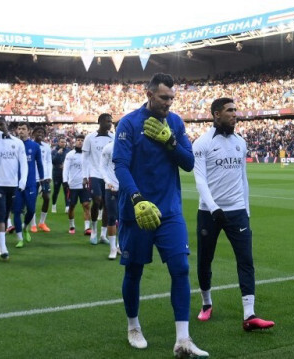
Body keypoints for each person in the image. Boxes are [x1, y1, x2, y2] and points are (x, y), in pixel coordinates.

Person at [113, 73, 208, 357]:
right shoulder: (129, 124)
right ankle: (133, 326)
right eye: (164, 97)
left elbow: (189, 163)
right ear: (149, 94)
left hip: (169, 211)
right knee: (134, 270)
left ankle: (183, 339)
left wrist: (170, 141)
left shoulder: (176, 122)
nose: (169, 103)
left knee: (180, 268)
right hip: (137, 212)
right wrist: (136, 199)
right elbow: (120, 165)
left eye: (172, 98)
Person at [192, 97, 275, 331]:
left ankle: (249, 314)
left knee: (246, 260)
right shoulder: (202, 143)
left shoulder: (240, 142)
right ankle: (206, 303)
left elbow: (243, 179)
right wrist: (213, 207)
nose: (234, 114)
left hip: (237, 211)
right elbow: (200, 179)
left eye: (235, 110)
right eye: (229, 111)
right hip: (209, 212)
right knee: (205, 260)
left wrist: (246, 211)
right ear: (216, 114)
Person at [0, 117, 28, 261]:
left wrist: (22, 181)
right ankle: (3, 249)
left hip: (12, 184)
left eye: (1, 125)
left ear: (7, 125)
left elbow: (23, 163)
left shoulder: (17, 143)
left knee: (5, 215)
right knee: (0, 215)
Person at [83, 113, 114, 244]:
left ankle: (103, 234)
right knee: (97, 200)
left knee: (107, 205)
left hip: (108, 176)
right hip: (94, 174)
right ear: (100, 122)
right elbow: (84, 157)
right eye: (107, 121)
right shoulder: (90, 137)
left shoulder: (113, 137)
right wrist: (85, 176)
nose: (110, 124)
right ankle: (94, 231)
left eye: (111, 122)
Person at [12, 123, 44, 248]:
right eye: (19, 129)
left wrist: (42, 180)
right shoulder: (13, 145)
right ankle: (19, 238)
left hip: (31, 183)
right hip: (15, 184)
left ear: (28, 131)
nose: (21, 131)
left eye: (23, 129)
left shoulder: (34, 146)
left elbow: (39, 164)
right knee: (16, 211)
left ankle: (25, 227)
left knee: (31, 209)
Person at [63, 134, 92, 234]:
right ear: (75, 142)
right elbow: (66, 168)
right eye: (78, 140)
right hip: (73, 185)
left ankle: (87, 228)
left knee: (86, 205)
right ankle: (71, 226)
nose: (80, 142)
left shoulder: (88, 154)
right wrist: (65, 181)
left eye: (82, 140)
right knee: (71, 206)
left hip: (85, 184)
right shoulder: (70, 154)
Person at [29, 126, 53, 232]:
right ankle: (33, 224)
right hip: (33, 177)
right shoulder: (30, 145)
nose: (40, 134)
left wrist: (48, 176)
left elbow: (48, 162)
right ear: (33, 134)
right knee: (32, 201)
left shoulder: (46, 147)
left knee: (47, 198)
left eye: (42, 133)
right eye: (38, 132)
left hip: (44, 178)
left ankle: (42, 223)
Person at [100, 137, 120, 259]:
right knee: (112, 217)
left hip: (126, 188)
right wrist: (107, 181)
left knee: (125, 217)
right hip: (111, 187)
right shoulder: (109, 147)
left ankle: (120, 245)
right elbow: (102, 167)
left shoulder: (131, 146)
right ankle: (112, 248)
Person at [51, 137, 70, 214]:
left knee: (66, 191)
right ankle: (54, 205)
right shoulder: (54, 151)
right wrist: (58, 154)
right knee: (56, 190)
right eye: (62, 142)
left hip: (66, 174)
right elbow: (53, 161)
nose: (63, 143)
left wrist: (65, 166)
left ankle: (67, 207)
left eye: (64, 142)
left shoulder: (68, 151)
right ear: (58, 142)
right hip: (57, 173)